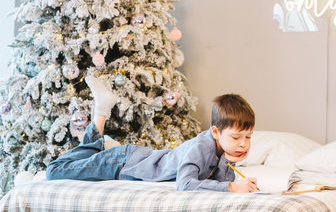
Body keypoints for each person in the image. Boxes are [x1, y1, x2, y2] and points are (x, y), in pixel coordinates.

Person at [46, 76, 257, 192]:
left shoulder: (223, 150)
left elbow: (218, 181)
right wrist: (231, 186)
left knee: (81, 160)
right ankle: (101, 113)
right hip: (121, 163)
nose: (242, 144)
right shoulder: (201, 147)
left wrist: (228, 163)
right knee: (54, 171)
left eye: (247, 137)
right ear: (215, 132)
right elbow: (186, 184)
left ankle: (104, 138)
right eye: (236, 137)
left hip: (131, 159)